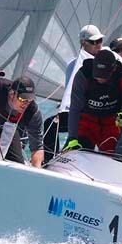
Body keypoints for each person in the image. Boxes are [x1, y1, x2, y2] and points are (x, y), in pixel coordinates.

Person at [43, 25, 104, 162]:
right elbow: (70, 91)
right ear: (83, 43)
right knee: (50, 124)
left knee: (81, 142)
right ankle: (48, 160)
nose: (98, 45)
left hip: (93, 114)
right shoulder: (72, 65)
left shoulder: (102, 65)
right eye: (94, 42)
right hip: (75, 112)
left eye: (100, 41)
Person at [65, 49, 122, 152]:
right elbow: (75, 108)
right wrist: (72, 138)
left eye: (104, 75)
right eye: (97, 75)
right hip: (88, 121)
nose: (100, 79)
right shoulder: (83, 74)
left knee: (110, 152)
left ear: (114, 68)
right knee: (80, 148)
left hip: (111, 122)